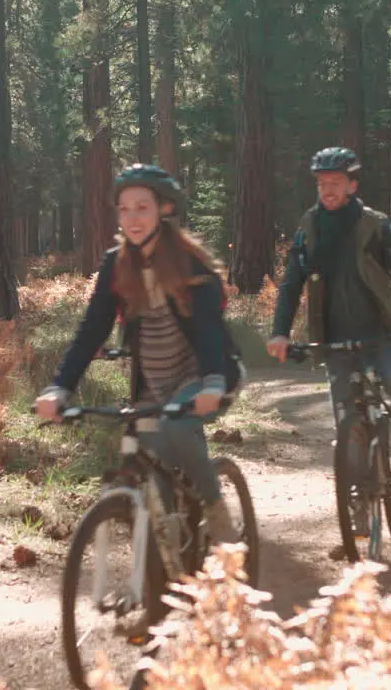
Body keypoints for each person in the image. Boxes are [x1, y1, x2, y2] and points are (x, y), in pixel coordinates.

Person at [35, 163, 242, 548]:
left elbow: (210, 329)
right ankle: (165, 556)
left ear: (164, 209)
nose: (132, 217)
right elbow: (90, 333)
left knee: (178, 428)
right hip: (152, 387)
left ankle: (215, 508)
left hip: (205, 376)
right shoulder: (116, 264)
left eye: (142, 207)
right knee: (145, 453)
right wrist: (60, 388)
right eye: (125, 208)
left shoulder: (188, 261)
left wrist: (213, 382)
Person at [266, 147, 391, 535]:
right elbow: (292, 283)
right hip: (334, 338)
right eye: (322, 184)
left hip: (382, 332)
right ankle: (359, 501)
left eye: (336, 183)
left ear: (352, 185)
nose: (328, 190)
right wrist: (280, 332)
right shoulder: (309, 228)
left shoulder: (374, 225)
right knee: (347, 421)